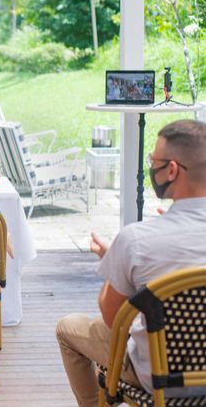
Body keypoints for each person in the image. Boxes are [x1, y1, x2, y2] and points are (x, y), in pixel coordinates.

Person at [56, 119, 206, 406]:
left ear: (171, 170)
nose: (152, 166)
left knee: (67, 327)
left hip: (162, 380)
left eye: (154, 160)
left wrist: (117, 258)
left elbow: (115, 322)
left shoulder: (137, 240)